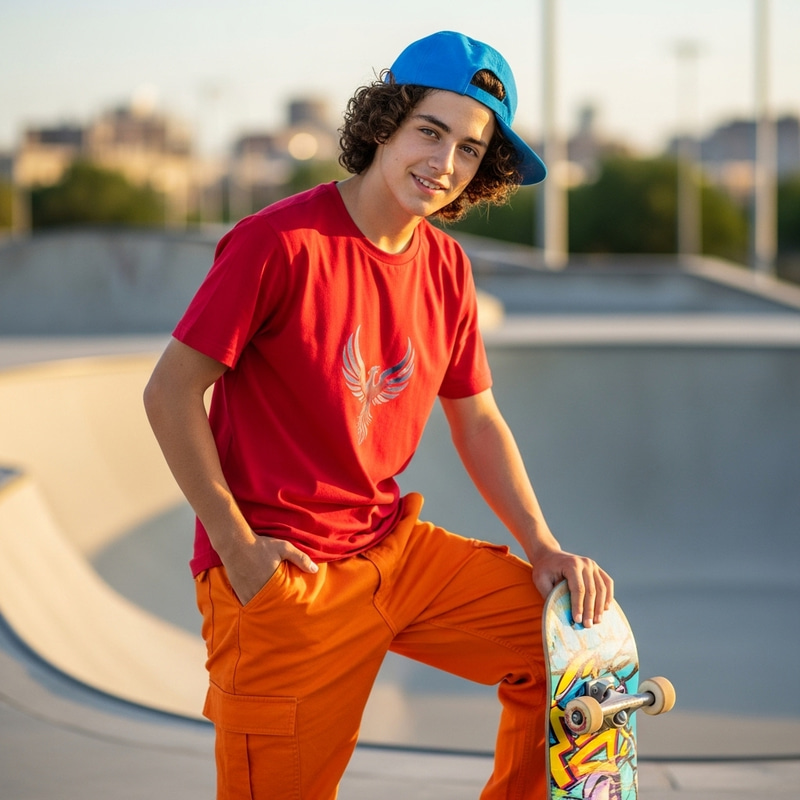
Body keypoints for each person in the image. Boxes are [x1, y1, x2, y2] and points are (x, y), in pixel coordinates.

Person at [144, 30, 613, 800]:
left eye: (468, 149)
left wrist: (543, 547)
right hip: (286, 577)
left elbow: (478, 419)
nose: (444, 164)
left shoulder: (446, 267)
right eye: (430, 132)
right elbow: (168, 391)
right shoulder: (279, 243)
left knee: (571, 642)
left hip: (395, 552)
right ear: (383, 125)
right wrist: (237, 546)